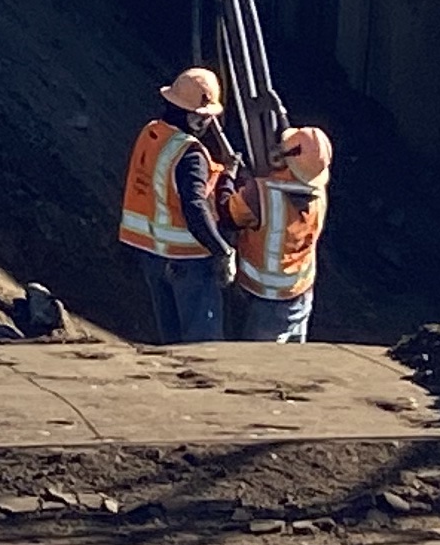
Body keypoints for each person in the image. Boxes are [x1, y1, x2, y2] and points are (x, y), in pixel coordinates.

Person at [116, 67, 232, 345]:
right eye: (206, 118)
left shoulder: (152, 133)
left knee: (172, 345)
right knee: (204, 346)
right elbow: (194, 205)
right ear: (194, 116)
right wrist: (222, 250)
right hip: (188, 260)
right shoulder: (190, 154)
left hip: (152, 253)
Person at [220, 122, 332, 343]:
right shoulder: (319, 192)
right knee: (291, 365)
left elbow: (227, 215)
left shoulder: (259, 194)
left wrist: (228, 177)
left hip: (264, 297)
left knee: (259, 367)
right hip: (301, 290)